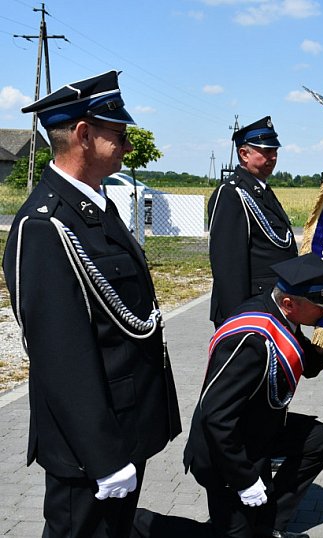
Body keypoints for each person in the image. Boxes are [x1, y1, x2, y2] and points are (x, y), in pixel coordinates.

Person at [2, 71, 181, 537]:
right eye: (118, 134)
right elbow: (60, 357)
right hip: (90, 451)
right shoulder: (45, 227)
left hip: (125, 427)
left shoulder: (97, 208)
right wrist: (103, 458)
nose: (127, 145)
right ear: (83, 134)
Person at [184, 253, 323, 538]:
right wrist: (244, 479)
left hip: (258, 429)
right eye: (322, 301)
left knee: (321, 440)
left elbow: (307, 364)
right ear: (290, 303)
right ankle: (141, 524)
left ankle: (270, 526)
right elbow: (216, 418)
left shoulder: (282, 315)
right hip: (225, 454)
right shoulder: (252, 341)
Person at [208, 116, 298, 327]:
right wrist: (238, 320)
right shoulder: (232, 193)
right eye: (266, 151)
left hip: (273, 303)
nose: (273, 157)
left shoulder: (260, 190)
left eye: (275, 151)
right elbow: (228, 265)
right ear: (244, 154)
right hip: (251, 308)